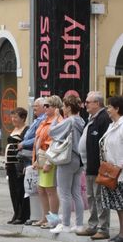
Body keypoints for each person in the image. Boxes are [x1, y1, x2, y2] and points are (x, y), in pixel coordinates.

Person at [76, 91, 112, 239]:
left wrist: (103, 165)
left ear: (97, 103)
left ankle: (103, 228)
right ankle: (93, 225)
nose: (85, 105)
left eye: (88, 102)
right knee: (91, 196)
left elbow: (105, 143)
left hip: (98, 166)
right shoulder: (92, 118)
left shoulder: (104, 119)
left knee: (100, 197)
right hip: (89, 165)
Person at [48, 95, 86, 233]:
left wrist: (56, 119)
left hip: (67, 159)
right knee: (76, 193)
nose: (62, 109)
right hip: (79, 159)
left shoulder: (69, 121)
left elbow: (51, 132)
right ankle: (79, 224)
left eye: (64, 106)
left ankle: (65, 224)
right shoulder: (81, 120)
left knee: (64, 193)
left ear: (69, 108)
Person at [32, 95, 62, 229]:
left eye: (47, 106)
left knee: (50, 190)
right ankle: (44, 217)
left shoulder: (57, 121)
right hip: (41, 156)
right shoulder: (45, 120)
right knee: (41, 189)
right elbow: (37, 139)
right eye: (44, 106)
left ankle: (53, 219)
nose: (45, 108)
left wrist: (49, 162)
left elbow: (55, 143)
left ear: (55, 107)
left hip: (49, 157)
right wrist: (35, 159)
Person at [98, 95, 123, 242]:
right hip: (111, 171)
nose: (107, 110)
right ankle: (121, 232)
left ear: (117, 108)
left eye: (110, 107)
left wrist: (119, 166)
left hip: (119, 172)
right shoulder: (112, 125)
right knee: (118, 206)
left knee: (122, 204)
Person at [5, 107, 30, 225]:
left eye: (16, 117)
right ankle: (16, 213)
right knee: (13, 190)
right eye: (12, 117)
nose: (13, 119)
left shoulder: (26, 130)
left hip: (18, 164)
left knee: (20, 190)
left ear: (23, 118)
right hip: (10, 164)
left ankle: (22, 215)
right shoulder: (15, 129)